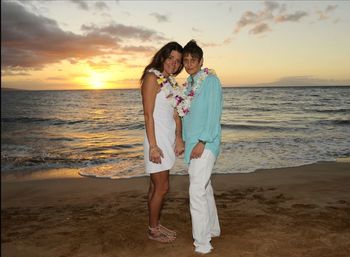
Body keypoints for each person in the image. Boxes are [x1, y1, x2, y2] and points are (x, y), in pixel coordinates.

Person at [140, 42, 185, 243]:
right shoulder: (152, 78)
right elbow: (148, 115)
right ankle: (153, 230)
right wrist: (153, 146)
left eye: (178, 61)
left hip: (167, 139)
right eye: (171, 58)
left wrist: (178, 138)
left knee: (155, 186)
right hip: (156, 141)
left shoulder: (169, 82)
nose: (174, 64)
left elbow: (176, 115)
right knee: (162, 187)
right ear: (162, 57)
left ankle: (155, 224)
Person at [181, 40, 222, 254]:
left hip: (205, 143)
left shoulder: (211, 81)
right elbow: (187, 117)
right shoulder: (187, 85)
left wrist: (202, 141)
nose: (189, 64)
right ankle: (213, 228)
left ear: (201, 61)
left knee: (196, 191)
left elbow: (213, 114)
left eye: (192, 60)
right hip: (192, 144)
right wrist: (182, 140)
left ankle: (203, 243)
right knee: (204, 189)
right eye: (185, 60)